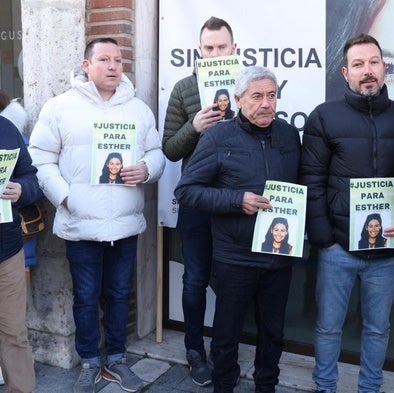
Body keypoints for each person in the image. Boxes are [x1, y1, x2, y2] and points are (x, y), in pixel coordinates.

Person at [29, 37, 165, 393]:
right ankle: (90, 362)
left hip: (124, 222)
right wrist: (66, 196)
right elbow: (40, 158)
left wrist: (147, 169)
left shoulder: (138, 109)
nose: (113, 66)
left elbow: (157, 152)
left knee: (120, 294)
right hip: (79, 222)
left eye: (118, 60)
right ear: (86, 65)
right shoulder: (59, 107)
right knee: (86, 298)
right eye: (104, 59)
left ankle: (117, 360)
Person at [300, 34, 394, 393]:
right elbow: (312, 181)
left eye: (374, 63)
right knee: (328, 326)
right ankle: (325, 387)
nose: (368, 71)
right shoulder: (324, 116)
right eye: (359, 64)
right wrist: (325, 242)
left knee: (379, 328)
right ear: (345, 72)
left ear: (384, 68)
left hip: (385, 250)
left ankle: (370, 388)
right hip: (338, 249)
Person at [175, 66, 301, 393]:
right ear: (238, 100)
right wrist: (236, 200)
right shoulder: (218, 137)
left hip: (278, 254)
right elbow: (186, 191)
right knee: (227, 333)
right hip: (235, 256)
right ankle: (224, 386)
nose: (266, 104)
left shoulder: (288, 135)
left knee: (273, 332)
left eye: (271, 95)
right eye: (257, 96)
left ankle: (266, 386)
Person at [162, 16, 237, 386]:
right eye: (208, 48)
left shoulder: (248, 85)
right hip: (196, 202)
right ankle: (195, 351)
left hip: (238, 201)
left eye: (222, 47)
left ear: (234, 49)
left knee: (232, 282)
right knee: (194, 280)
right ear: (199, 50)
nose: (215, 53)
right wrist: (194, 127)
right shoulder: (182, 89)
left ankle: (226, 355)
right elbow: (169, 151)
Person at [0, 116, 41, 393]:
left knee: (14, 333)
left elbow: (31, 176)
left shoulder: (5, 128)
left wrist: (22, 189)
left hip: (7, 250)